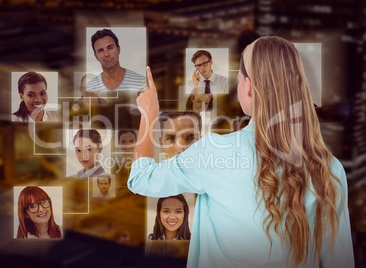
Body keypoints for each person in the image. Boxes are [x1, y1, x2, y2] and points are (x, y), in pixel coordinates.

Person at [129, 37, 354, 268]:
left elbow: (140, 179)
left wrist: (149, 112)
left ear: (248, 86)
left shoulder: (215, 153)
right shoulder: (330, 169)